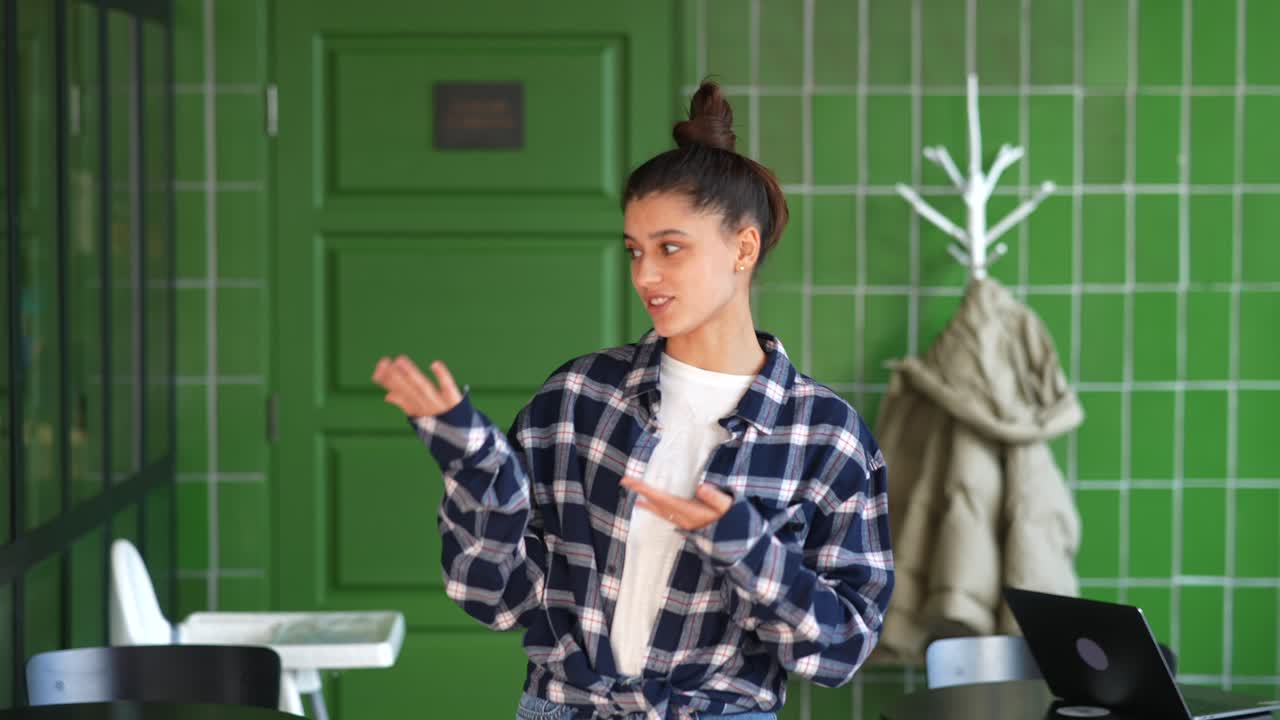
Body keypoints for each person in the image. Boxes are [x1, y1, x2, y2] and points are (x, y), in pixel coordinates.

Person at [372, 81, 893, 720]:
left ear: (743, 247)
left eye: (670, 248)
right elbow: (497, 599)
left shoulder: (827, 437)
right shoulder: (576, 400)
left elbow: (843, 649)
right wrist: (477, 467)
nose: (645, 275)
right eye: (635, 251)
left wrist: (740, 544)